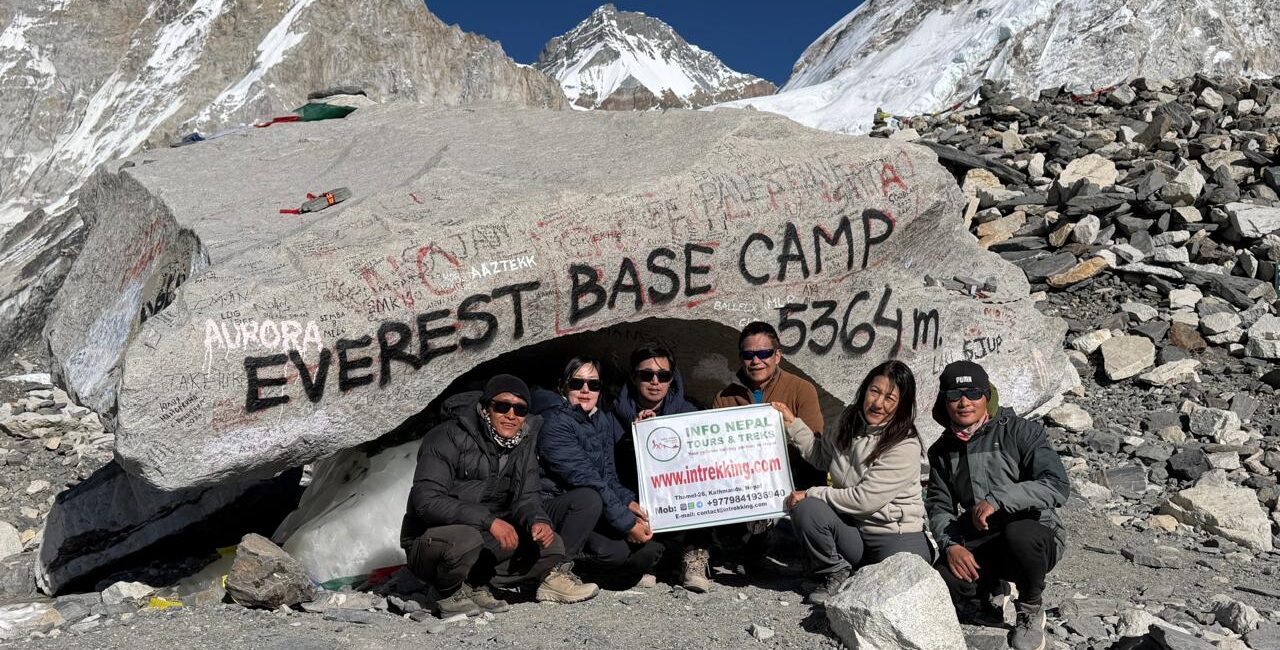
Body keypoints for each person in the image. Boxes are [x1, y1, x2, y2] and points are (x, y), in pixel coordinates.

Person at [400, 374, 598, 618]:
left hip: (483, 534)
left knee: (552, 545)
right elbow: (426, 501)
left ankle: (475, 584)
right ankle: (445, 592)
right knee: (466, 539)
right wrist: (489, 521)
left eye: (520, 409)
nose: (511, 415)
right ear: (486, 408)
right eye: (503, 406)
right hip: (430, 539)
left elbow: (527, 497)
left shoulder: (522, 442)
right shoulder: (447, 436)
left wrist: (538, 520)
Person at [925, 361, 1069, 650]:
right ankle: (990, 593)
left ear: (987, 396)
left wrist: (997, 499)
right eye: (954, 395)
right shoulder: (941, 450)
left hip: (1034, 532)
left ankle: (1030, 608)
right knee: (944, 579)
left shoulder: (1021, 432)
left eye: (973, 393)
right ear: (944, 401)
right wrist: (951, 545)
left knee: (1020, 535)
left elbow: (1056, 485)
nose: (964, 403)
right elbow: (939, 506)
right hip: (982, 536)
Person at [774, 360, 931, 606]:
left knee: (897, 599)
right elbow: (821, 456)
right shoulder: (848, 419)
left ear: (902, 405)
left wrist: (812, 492)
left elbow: (864, 500)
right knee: (808, 509)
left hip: (893, 536)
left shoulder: (904, 444)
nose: (878, 403)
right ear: (864, 389)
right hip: (854, 530)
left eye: (890, 398)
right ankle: (835, 572)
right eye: (874, 391)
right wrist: (792, 423)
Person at [534, 356, 664, 589]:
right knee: (607, 539)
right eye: (577, 383)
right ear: (563, 386)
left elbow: (608, 475)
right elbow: (588, 479)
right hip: (557, 507)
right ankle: (552, 571)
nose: (586, 390)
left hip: (593, 509)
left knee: (648, 551)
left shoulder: (599, 419)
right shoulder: (554, 423)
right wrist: (626, 523)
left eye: (593, 384)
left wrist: (629, 503)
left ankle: (589, 573)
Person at [612, 346, 706, 591]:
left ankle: (693, 554)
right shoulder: (612, 416)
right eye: (647, 375)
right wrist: (635, 439)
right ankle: (649, 561)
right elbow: (608, 469)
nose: (655, 381)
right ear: (634, 377)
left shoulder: (689, 413)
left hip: (680, 500)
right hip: (635, 499)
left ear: (671, 379)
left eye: (663, 375)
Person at [713, 321, 826, 489]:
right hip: (743, 483)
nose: (756, 361)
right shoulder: (724, 398)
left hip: (795, 482)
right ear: (741, 358)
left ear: (777, 356)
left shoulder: (802, 389)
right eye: (748, 355)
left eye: (764, 353)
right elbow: (718, 452)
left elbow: (813, 446)